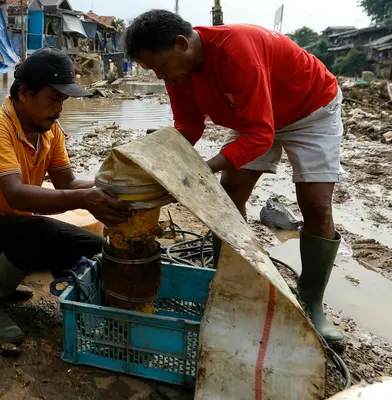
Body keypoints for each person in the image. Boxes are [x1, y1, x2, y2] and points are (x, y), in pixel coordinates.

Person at [125, 10, 345, 343]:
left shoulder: (237, 53)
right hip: (253, 117)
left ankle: (312, 300)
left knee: (315, 205)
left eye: (160, 66)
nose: (160, 76)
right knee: (229, 196)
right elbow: (189, 125)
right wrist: (159, 158)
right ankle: (230, 279)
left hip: (309, 109)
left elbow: (261, 135)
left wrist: (203, 168)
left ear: (181, 44)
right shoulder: (177, 75)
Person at [0, 47, 131, 344]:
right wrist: (85, 200)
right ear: (25, 93)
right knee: (38, 230)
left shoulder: (49, 130)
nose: (59, 109)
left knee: (93, 246)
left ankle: (80, 300)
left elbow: (66, 182)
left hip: (13, 226)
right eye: (53, 99)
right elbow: (17, 195)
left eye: (62, 101)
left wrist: (110, 188)